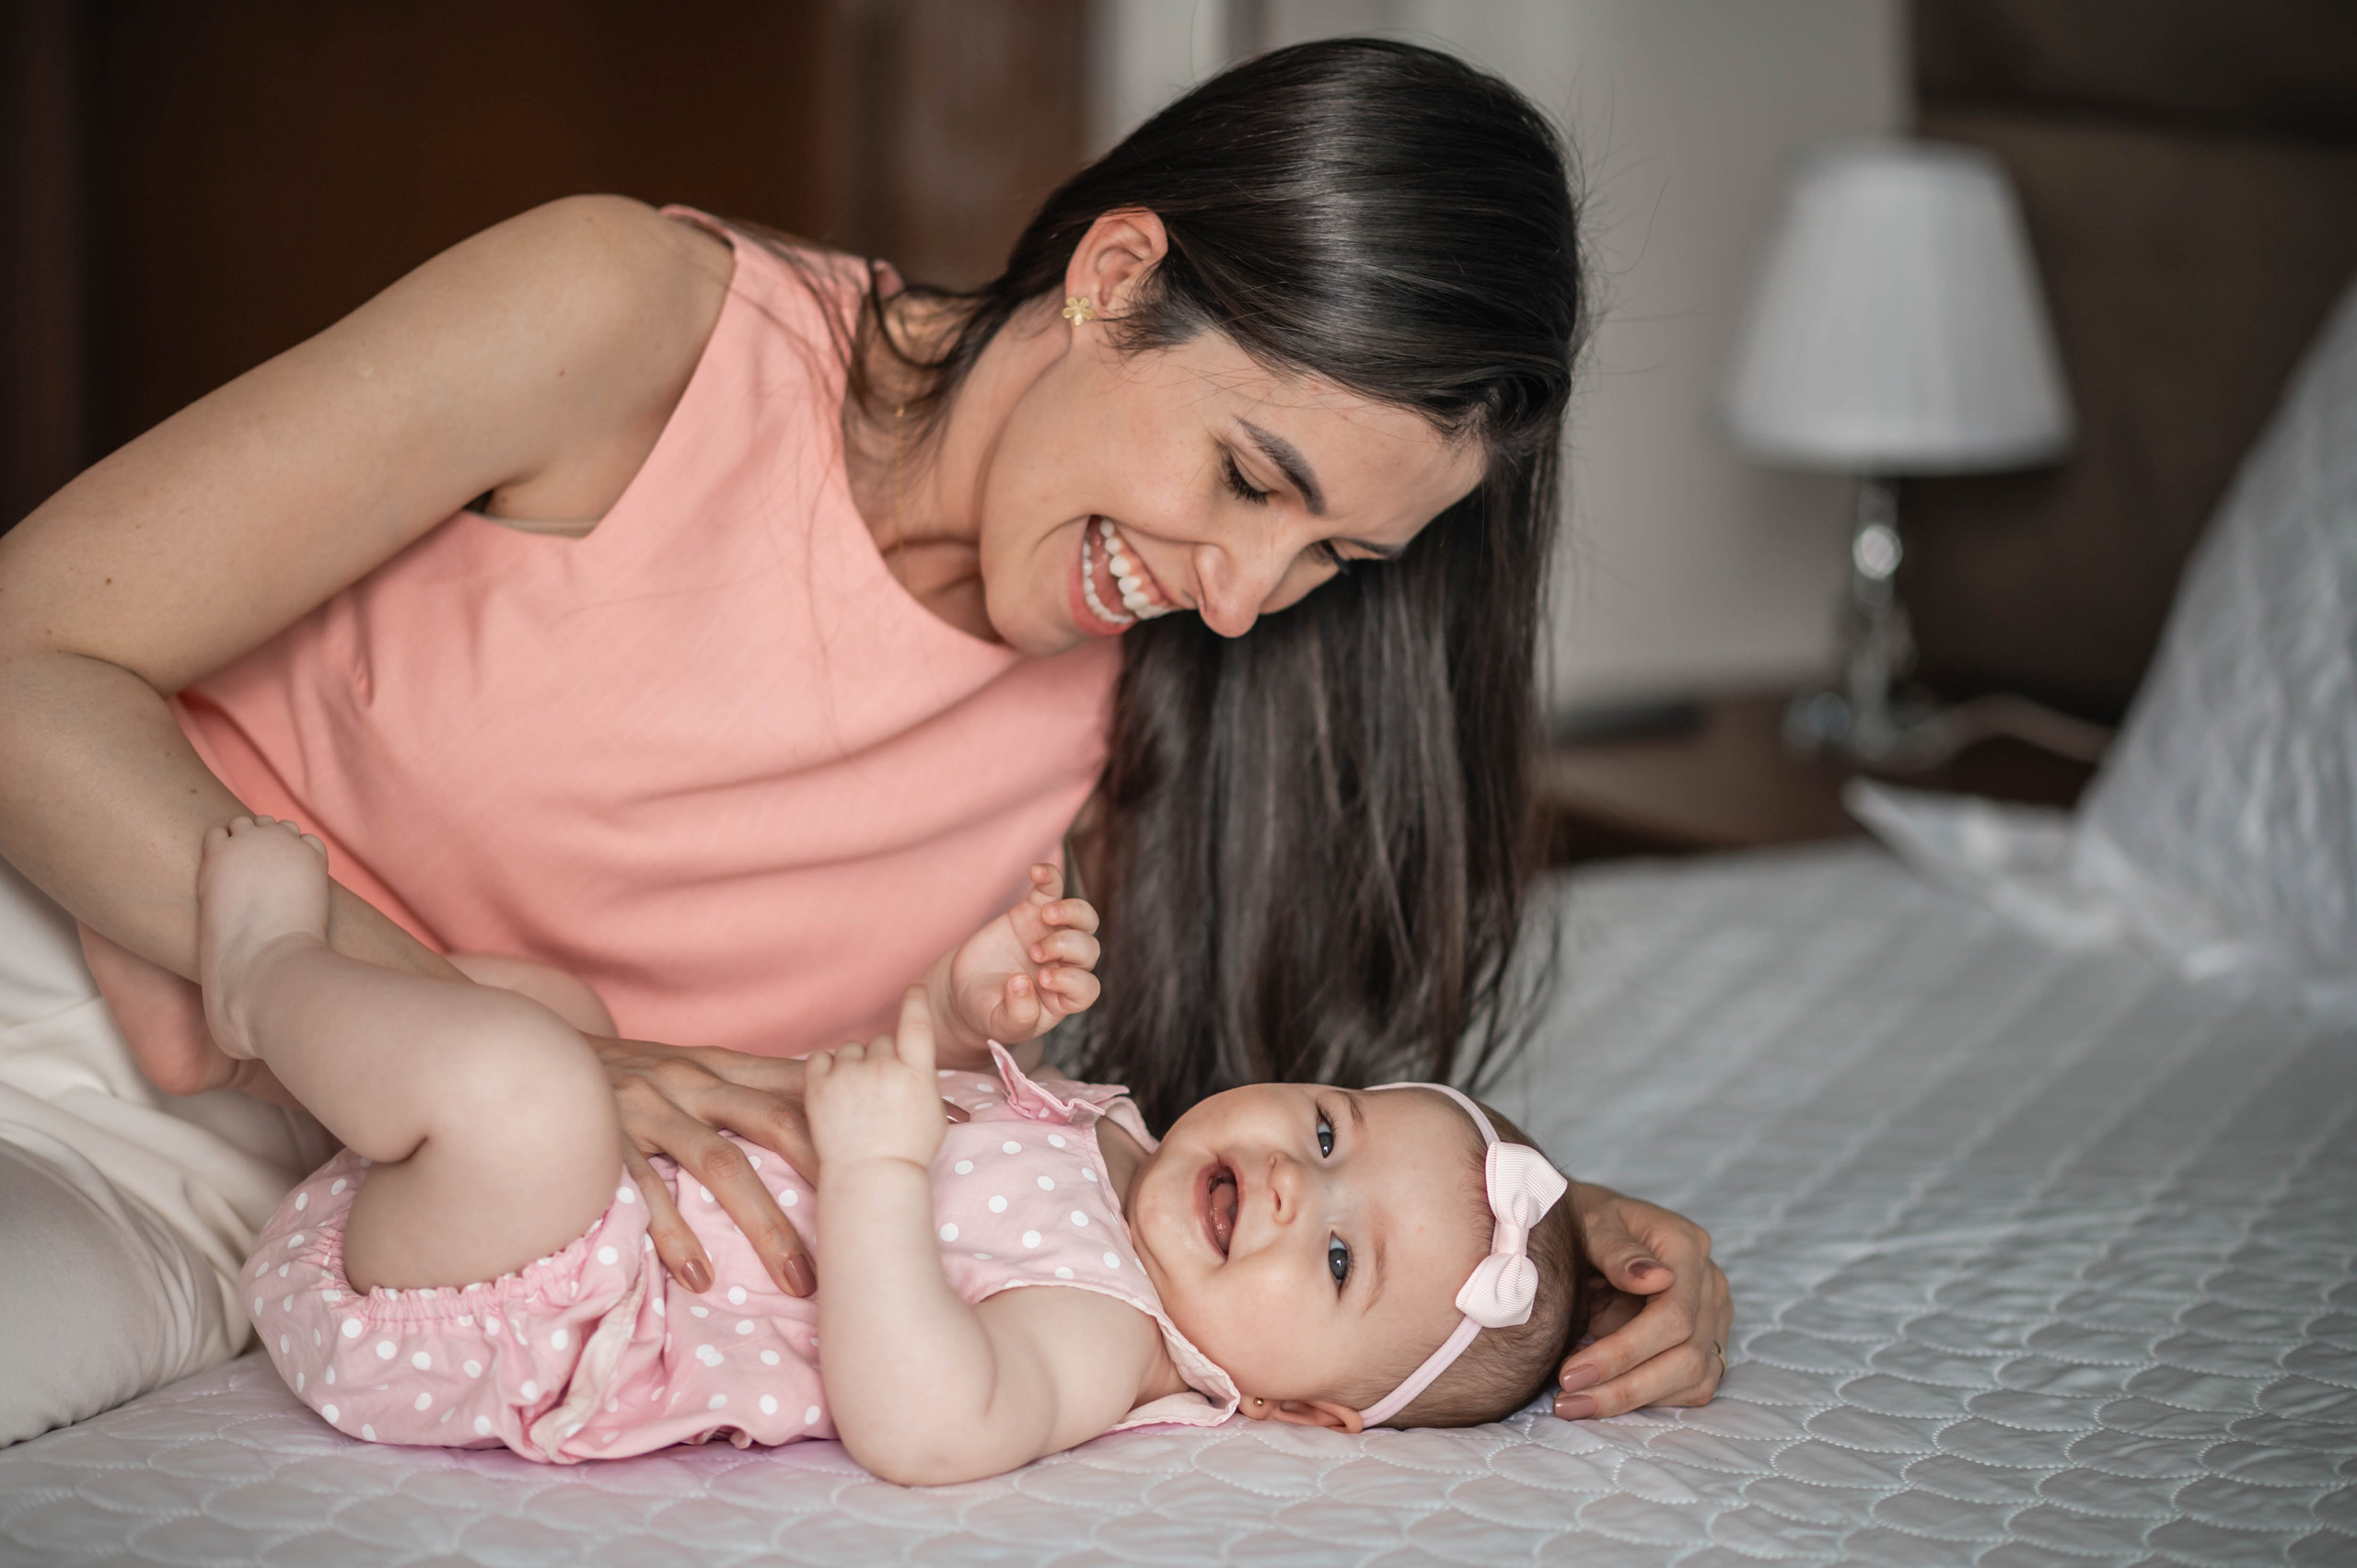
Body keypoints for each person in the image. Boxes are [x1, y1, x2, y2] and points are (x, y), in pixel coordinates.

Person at [0, 39, 1729, 1444]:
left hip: (332, 1226)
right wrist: (476, 1036)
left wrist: (1548, 1252)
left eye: (1333, 559)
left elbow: (1251, 1168)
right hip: (74, 975)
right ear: (1118, 279)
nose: (1242, 597)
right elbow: (31, 652)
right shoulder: (637, 324)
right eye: (1250, 480)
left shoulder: (1173, 741)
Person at [207, 815, 1601, 1475]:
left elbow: (933, 1421)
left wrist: (873, 1173)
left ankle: (263, 989)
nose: (1299, 1187)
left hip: (508, 1304)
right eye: (1326, 1128)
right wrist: (956, 1008)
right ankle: (348, 1056)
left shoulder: (1109, 1335)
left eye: (1342, 1257)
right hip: (567, 1189)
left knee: (527, 1086)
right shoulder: (1114, 1135)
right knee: (559, 1017)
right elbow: (936, 1110)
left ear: (1304, 1410)